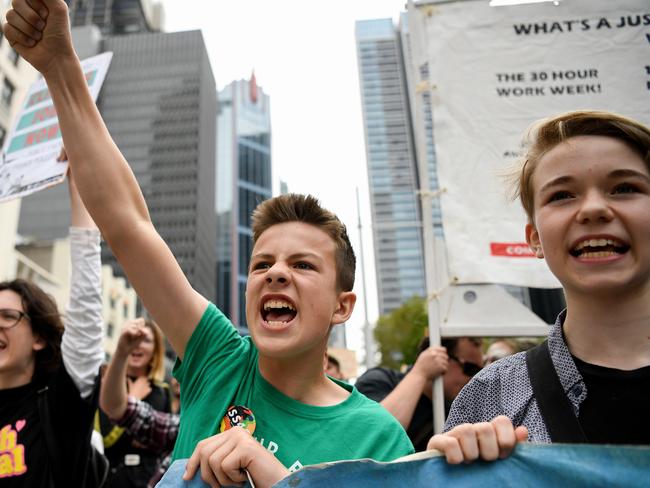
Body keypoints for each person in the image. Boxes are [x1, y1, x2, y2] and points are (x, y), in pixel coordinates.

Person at [3, 3, 529, 484]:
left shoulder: (379, 439)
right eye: (262, 264)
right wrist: (59, 67)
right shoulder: (218, 356)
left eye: (303, 265)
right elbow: (127, 223)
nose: (276, 274)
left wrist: (277, 477)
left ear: (342, 306)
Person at [443, 110, 650, 445]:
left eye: (624, 188)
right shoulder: (489, 398)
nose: (594, 208)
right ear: (534, 238)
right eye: (562, 195)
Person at [0, 171, 104, 486]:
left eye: (7, 316)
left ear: (40, 337)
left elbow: (85, 317)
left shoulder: (58, 409)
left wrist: (80, 186)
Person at [356, 336, 483, 451]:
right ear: (441, 358)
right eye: (470, 369)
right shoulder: (380, 380)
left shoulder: (457, 411)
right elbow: (377, 436)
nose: (474, 378)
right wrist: (421, 371)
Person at [100, 319, 176, 488]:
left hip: (145, 479)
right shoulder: (108, 387)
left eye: (146, 340)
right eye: (135, 338)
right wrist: (132, 398)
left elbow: (161, 444)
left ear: (155, 350)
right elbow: (106, 436)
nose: (138, 344)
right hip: (110, 476)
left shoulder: (161, 391)